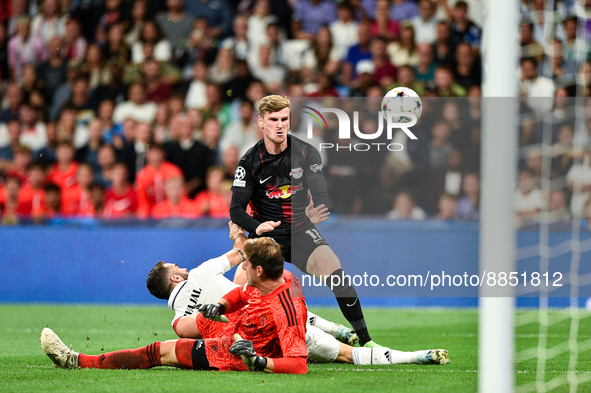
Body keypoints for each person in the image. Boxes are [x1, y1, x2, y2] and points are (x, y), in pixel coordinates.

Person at [146, 222, 449, 366]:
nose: (181, 266)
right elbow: (240, 253)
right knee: (333, 347)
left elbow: (210, 331)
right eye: (176, 266)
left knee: (256, 295)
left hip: (252, 341)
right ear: (174, 276)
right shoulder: (201, 273)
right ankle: (410, 355)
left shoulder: (178, 322)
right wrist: (238, 231)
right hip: (273, 320)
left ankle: (337, 331)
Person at [229, 95, 377, 347]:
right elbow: (235, 210)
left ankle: (366, 341)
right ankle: (235, 341)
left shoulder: (307, 152)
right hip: (265, 236)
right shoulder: (249, 162)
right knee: (239, 293)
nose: (279, 125)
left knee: (337, 274)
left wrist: (317, 208)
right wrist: (256, 227)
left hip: (299, 230)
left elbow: (320, 193)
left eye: (284, 119)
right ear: (261, 122)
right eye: (273, 119)